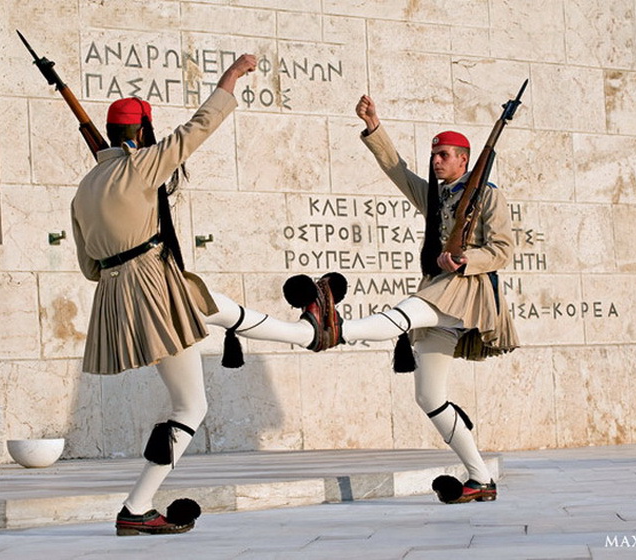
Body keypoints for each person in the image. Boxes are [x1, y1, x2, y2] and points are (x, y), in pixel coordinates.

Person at [71, 54, 324, 536]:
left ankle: (305, 334)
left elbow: (88, 267)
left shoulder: (84, 188)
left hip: (120, 294)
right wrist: (230, 78)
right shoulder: (142, 165)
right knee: (190, 407)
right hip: (154, 285)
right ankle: (137, 507)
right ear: (142, 132)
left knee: (214, 305)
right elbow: (199, 127)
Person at [303, 94, 519, 504]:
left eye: (444, 155)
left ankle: (336, 328)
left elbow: (503, 250)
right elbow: (396, 170)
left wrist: (463, 259)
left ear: (463, 160)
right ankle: (480, 478)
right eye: (434, 155)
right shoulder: (436, 197)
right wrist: (373, 125)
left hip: (466, 291)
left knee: (404, 312)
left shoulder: (488, 195)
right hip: (440, 291)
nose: (436, 161)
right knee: (429, 396)